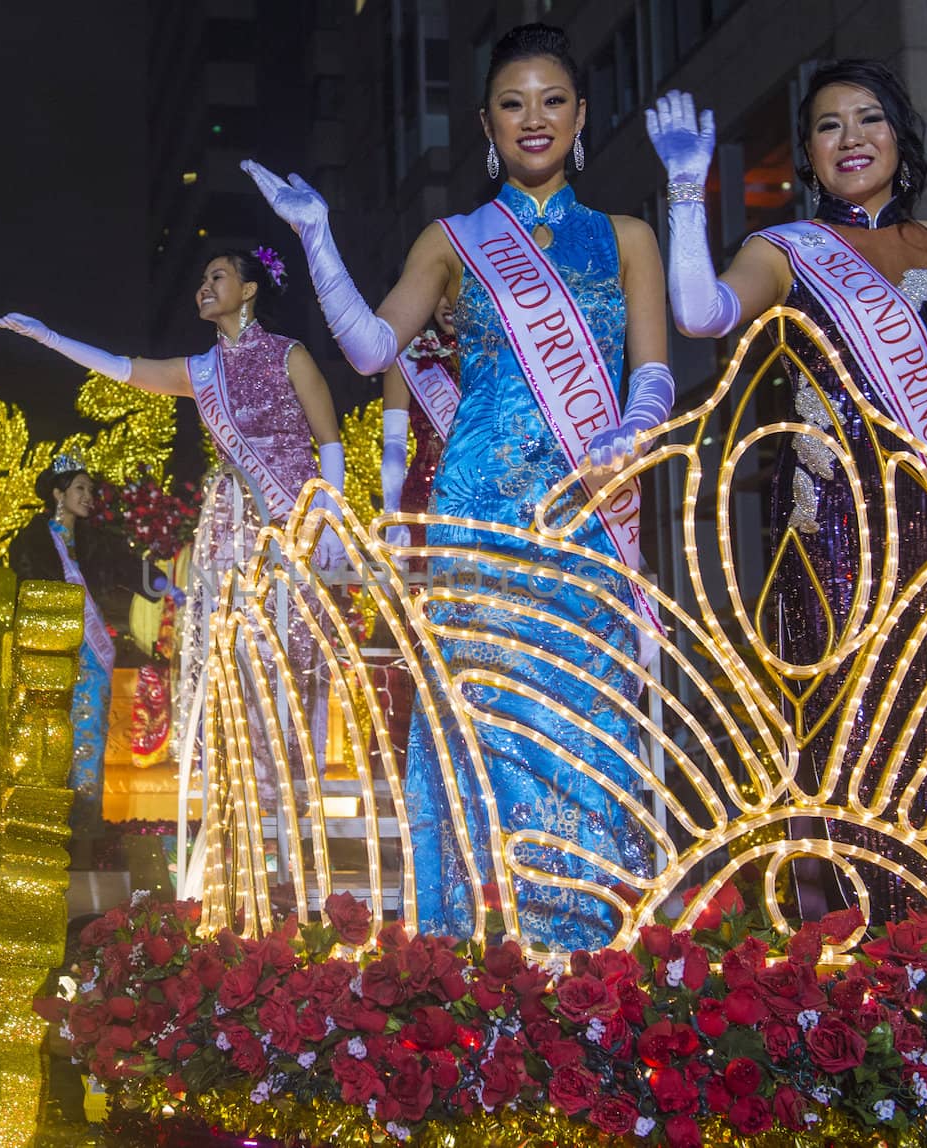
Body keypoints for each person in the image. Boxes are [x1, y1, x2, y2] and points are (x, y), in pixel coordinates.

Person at [246, 22, 673, 949]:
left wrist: (636, 426)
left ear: (581, 116)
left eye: (552, 101)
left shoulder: (629, 236)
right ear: (486, 122)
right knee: (475, 711)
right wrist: (316, 237)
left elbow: (653, 370)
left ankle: (581, 949)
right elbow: (369, 346)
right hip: (478, 507)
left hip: (586, 503)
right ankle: (463, 950)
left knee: (578, 716)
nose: (534, 119)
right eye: (513, 103)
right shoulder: (454, 238)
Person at [648, 64, 927, 919]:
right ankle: (860, 947)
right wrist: (687, 191)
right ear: (808, 154)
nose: (850, 138)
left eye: (868, 119)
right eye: (827, 126)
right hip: (829, 520)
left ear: (899, 137)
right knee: (847, 729)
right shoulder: (783, 250)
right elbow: (701, 312)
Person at [0, 248, 344, 897]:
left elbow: (329, 443)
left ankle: (302, 846)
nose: (202, 288)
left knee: (295, 676)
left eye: (215, 277)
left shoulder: (291, 355)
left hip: (295, 532)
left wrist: (328, 526)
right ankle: (249, 842)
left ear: (248, 289)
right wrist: (51, 339)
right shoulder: (202, 370)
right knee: (238, 679)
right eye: (200, 279)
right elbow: (127, 370)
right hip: (232, 536)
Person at [8, 456, 116, 842]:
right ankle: (46, 833)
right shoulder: (32, 542)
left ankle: (86, 836)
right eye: (80, 489)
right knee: (50, 742)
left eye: (91, 490)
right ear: (58, 493)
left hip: (93, 657)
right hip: (53, 655)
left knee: (91, 740)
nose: (88, 496)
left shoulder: (95, 542)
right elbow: (24, 592)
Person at [380, 295, 459, 550]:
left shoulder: (501, 354)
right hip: (423, 501)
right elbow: (394, 443)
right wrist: (392, 514)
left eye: (453, 288)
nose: (446, 303)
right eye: (439, 291)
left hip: (489, 497)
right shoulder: (411, 355)